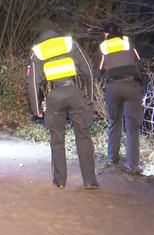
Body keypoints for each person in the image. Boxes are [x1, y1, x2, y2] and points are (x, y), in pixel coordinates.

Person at [26, 18, 99, 190]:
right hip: (74, 92)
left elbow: (32, 82)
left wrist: (37, 109)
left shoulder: (38, 52)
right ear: (55, 30)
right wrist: (90, 96)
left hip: (54, 97)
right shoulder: (69, 43)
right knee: (83, 136)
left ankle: (60, 181)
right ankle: (90, 181)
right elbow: (88, 68)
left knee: (57, 139)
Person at [98, 22, 144, 174]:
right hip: (132, 85)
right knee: (132, 127)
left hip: (113, 86)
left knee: (114, 123)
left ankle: (112, 159)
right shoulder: (127, 41)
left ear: (106, 34)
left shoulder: (104, 46)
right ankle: (132, 165)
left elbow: (100, 68)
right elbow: (137, 58)